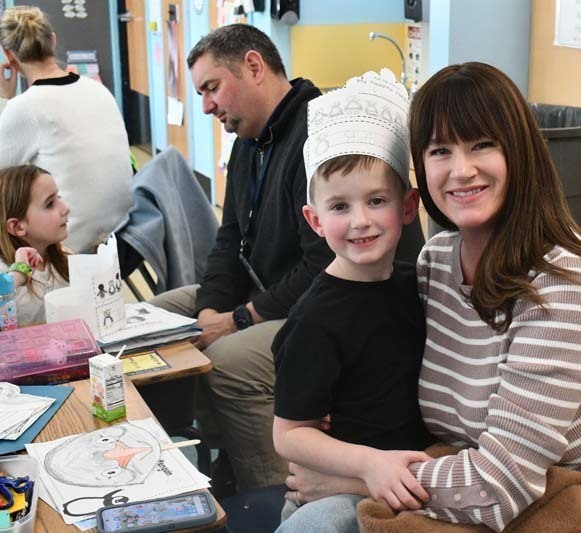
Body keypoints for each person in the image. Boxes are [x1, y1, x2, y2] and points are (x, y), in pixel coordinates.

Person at [284, 62, 581, 533]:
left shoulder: (568, 283)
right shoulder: (436, 262)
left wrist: (356, 478)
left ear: (520, 151)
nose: (461, 170)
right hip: (471, 478)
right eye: (440, 150)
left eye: (483, 144)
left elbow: (499, 484)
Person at [150, 24, 425, 494]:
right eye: (200, 94)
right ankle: (202, 447)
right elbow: (229, 239)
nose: (207, 106)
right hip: (265, 286)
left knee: (228, 360)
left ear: (254, 66)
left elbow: (317, 269)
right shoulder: (246, 146)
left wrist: (237, 319)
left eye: (212, 87)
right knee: (160, 314)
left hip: (305, 292)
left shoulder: (317, 140)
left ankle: (273, 487)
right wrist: (209, 309)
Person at [271, 70, 432, 533]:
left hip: (417, 480)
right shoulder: (314, 320)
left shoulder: (419, 285)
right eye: (340, 206)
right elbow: (289, 434)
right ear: (315, 220)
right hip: (341, 489)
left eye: (376, 200)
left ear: (407, 206)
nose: (360, 220)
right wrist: (367, 465)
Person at [0, 6, 132, 254]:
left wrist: (4, 99)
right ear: (52, 40)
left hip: (71, 246)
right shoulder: (98, 89)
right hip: (125, 237)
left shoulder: (25, 108)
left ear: (9, 55)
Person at [0, 165, 70, 325]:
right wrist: (18, 275)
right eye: (50, 204)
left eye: (59, 197)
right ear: (18, 227)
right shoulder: (4, 270)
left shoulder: (65, 258)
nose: (66, 208)